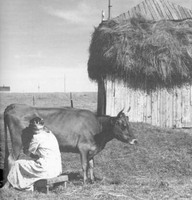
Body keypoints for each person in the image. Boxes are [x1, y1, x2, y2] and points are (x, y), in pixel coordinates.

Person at [6, 117, 62, 191]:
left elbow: (27, 153)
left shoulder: (37, 137)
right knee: (33, 162)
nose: (36, 131)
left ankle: (10, 185)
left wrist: (25, 147)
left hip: (47, 170)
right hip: (57, 168)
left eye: (35, 129)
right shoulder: (50, 134)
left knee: (17, 163)